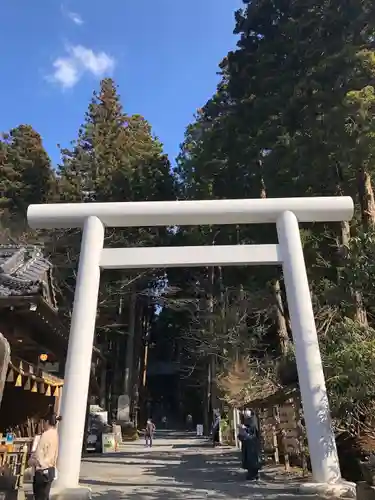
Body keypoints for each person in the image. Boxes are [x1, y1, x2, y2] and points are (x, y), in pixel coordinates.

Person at [29, 413, 61, 500]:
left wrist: (32, 460)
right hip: (50, 470)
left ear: (47, 422)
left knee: (39, 496)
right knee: (45, 496)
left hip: (42, 469)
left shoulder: (45, 435)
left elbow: (39, 454)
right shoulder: (55, 434)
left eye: (43, 422)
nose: (43, 424)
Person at [237, 411, 261, 480]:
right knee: (250, 459)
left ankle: (253, 474)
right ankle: (253, 474)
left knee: (252, 459)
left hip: (251, 443)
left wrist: (244, 428)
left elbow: (252, 430)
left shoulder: (252, 421)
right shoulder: (250, 421)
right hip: (249, 443)